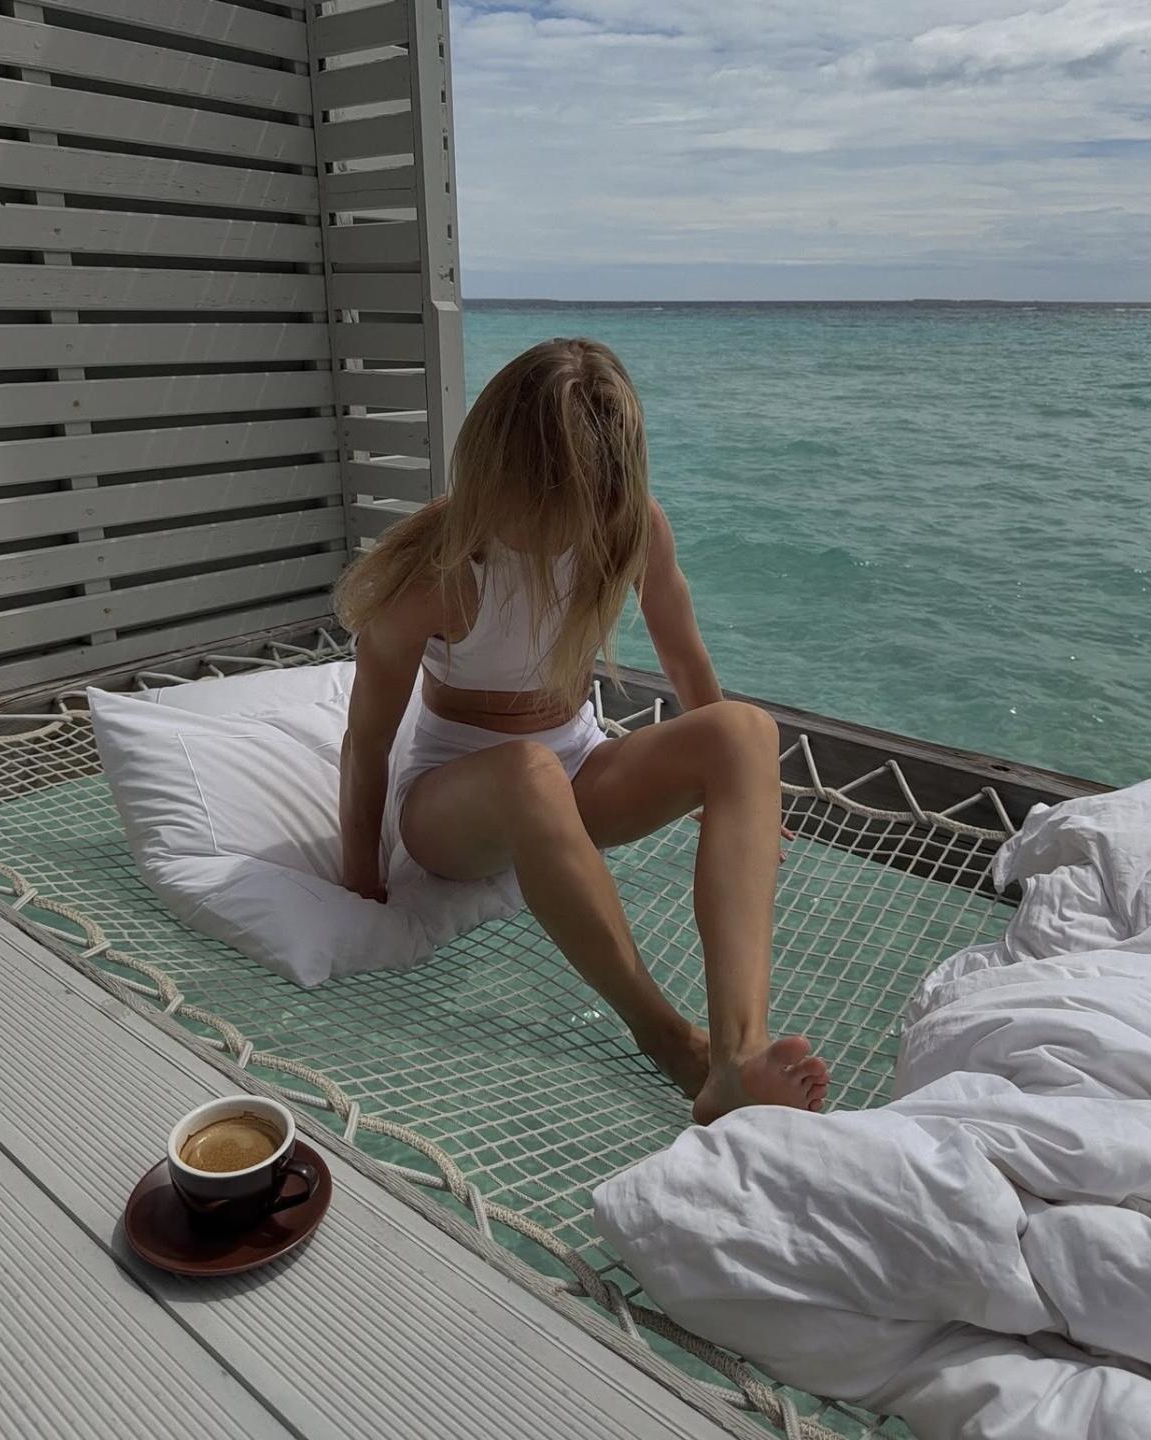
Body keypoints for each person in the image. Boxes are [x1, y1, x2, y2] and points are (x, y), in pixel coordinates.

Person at [335, 338, 828, 1122]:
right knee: (527, 770)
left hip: (576, 774)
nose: (570, 518)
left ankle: (737, 1053)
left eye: (590, 493)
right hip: (455, 811)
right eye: (549, 493)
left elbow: (684, 657)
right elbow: (366, 742)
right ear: (497, 470)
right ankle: (671, 1042)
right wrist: (360, 883)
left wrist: (737, 798)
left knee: (743, 731)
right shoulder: (437, 569)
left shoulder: (630, 527)